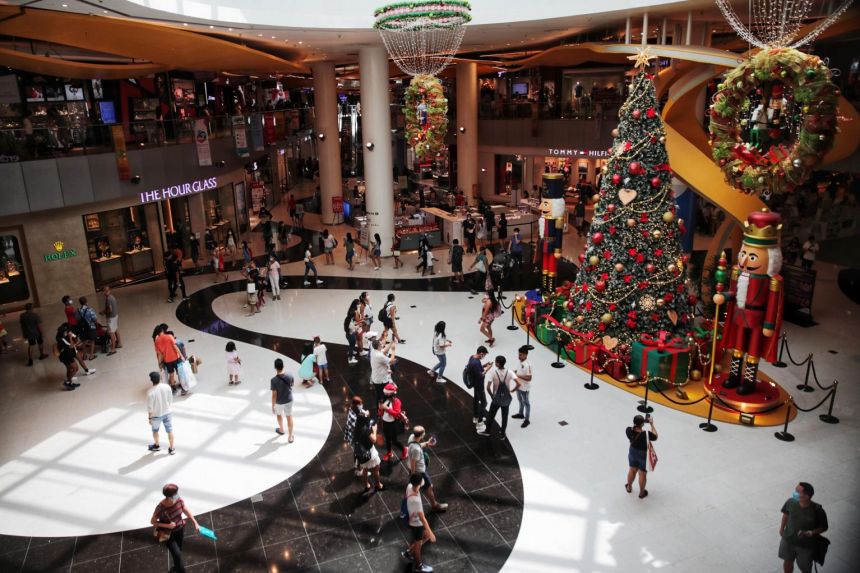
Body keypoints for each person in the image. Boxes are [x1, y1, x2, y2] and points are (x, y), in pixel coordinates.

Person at [779, 482, 828, 573]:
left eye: (798, 492)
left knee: (805, 568)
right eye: (795, 490)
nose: (795, 493)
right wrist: (782, 529)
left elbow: (824, 527)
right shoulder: (790, 502)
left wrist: (810, 532)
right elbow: (786, 514)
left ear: (807, 496)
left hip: (805, 546)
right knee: (787, 561)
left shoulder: (817, 510)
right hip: (788, 540)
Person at [151, 483, 200, 573]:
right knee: (177, 554)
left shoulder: (179, 500)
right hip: (168, 534)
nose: (177, 495)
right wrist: (167, 526)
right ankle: (180, 570)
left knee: (178, 551)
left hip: (180, 529)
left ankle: (176, 567)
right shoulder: (160, 507)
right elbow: (152, 521)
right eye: (176, 493)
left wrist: (195, 523)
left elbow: (186, 510)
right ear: (169, 496)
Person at [407, 425, 448, 512]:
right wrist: (414, 476)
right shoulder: (416, 450)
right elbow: (413, 463)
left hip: (417, 470)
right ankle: (434, 505)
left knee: (419, 488)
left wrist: (427, 443)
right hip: (419, 471)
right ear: (422, 435)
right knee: (428, 487)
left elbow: (417, 444)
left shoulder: (411, 438)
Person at [479, 355, 519, 441]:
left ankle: (487, 431)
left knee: (491, 415)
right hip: (506, 399)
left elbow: (488, 387)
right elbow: (518, 383)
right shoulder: (510, 372)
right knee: (505, 417)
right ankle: (502, 434)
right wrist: (512, 391)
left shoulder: (493, 373)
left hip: (496, 399)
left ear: (497, 363)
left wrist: (492, 396)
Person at [403, 472, 437, 573]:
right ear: (419, 483)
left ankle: (408, 552)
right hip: (416, 524)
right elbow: (423, 519)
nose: (423, 480)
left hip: (413, 520)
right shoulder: (416, 501)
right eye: (422, 480)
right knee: (419, 544)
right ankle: (419, 565)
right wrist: (431, 533)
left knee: (424, 537)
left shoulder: (409, 486)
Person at [625, 414, 657, 499]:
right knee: (642, 473)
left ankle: (629, 487)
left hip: (632, 452)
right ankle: (642, 493)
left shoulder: (628, 430)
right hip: (643, 454)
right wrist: (651, 424)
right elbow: (655, 436)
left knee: (632, 469)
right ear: (643, 424)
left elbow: (633, 429)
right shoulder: (646, 434)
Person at [353, 411, 384, 492]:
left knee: (365, 469)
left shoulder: (356, 426)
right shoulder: (365, 429)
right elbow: (374, 440)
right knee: (376, 469)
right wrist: (375, 430)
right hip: (369, 452)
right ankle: (378, 484)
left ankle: (366, 484)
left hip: (360, 452)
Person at [147, 371, 175, 454]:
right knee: (170, 430)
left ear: (151, 380)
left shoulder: (150, 392)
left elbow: (150, 408)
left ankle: (156, 446)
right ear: (160, 378)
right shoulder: (167, 387)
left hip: (156, 416)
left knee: (155, 431)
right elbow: (170, 400)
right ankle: (172, 448)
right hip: (167, 413)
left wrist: (150, 418)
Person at [466, 346, 491, 433]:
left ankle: (475, 417)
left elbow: (476, 369)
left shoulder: (472, 358)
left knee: (476, 400)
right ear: (481, 353)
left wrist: (484, 365)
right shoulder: (476, 363)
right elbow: (481, 375)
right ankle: (480, 422)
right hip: (479, 385)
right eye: (484, 355)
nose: (483, 356)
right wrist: (487, 369)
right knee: (484, 403)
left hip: (475, 383)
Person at [379, 382, 406, 462]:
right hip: (385, 422)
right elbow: (380, 412)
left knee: (394, 441)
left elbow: (396, 413)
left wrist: (386, 408)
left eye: (386, 394)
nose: (385, 395)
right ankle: (389, 453)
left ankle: (404, 449)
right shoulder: (385, 400)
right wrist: (380, 409)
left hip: (393, 424)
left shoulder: (397, 401)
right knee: (387, 439)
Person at [271, 358, 295, 441]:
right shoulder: (290, 375)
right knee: (289, 416)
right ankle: (290, 436)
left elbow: (274, 395)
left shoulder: (273, 380)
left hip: (279, 402)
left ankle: (281, 429)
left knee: (279, 414)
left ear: (275, 367)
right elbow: (292, 384)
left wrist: (273, 406)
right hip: (289, 399)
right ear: (283, 366)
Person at [154, 324, 183, 391]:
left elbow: (159, 354)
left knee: (171, 374)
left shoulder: (157, 341)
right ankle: (182, 385)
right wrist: (181, 356)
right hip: (176, 358)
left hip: (167, 360)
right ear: (162, 330)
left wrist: (160, 363)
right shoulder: (169, 336)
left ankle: (173, 388)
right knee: (179, 372)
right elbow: (175, 347)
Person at [511, 345, 533, 428]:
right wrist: (514, 371)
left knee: (526, 403)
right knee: (520, 400)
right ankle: (521, 414)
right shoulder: (520, 361)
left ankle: (527, 420)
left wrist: (517, 375)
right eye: (518, 354)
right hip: (519, 386)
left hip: (525, 388)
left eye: (520, 355)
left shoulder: (528, 365)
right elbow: (519, 370)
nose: (518, 356)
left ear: (525, 355)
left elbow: (529, 378)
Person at [370, 338, 397, 404]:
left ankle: (379, 408)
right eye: (380, 344)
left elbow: (384, 350)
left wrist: (391, 343)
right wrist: (393, 350)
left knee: (379, 395)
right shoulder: (379, 356)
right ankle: (382, 409)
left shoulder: (374, 351)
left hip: (375, 378)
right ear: (378, 346)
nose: (382, 344)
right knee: (385, 395)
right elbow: (391, 360)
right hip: (381, 380)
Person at [56, 324, 81, 390]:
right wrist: (70, 337)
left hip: (65, 356)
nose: (67, 332)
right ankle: (68, 381)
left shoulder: (61, 338)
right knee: (76, 368)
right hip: (67, 357)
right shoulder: (62, 340)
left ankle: (70, 383)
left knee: (70, 369)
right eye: (66, 331)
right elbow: (71, 346)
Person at [76, 296, 99, 360]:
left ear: (80, 303)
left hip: (82, 329)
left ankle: (84, 355)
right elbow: (95, 319)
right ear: (86, 302)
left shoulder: (78, 311)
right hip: (91, 327)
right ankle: (91, 356)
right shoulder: (90, 310)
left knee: (84, 341)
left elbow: (77, 319)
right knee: (92, 341)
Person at [101, 285, 121, 355]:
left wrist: (103, 312)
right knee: (115, 329)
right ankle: (119, 343)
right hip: (115, 315)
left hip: (111, 318)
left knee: (111, 332)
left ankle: (113, 349)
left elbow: (110, 309)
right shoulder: (112, 296)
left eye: (105, 291)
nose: (105, 292)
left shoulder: (108, 299)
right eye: (104, 291)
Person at [344, 299, 360, 364]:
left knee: (351, 345)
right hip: (351, 335)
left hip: (348, 335)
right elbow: (355, 329)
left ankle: (351, 352)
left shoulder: (348, 320)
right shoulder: (351, 324)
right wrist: (358, 326)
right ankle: (350, 358)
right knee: (352, 346)